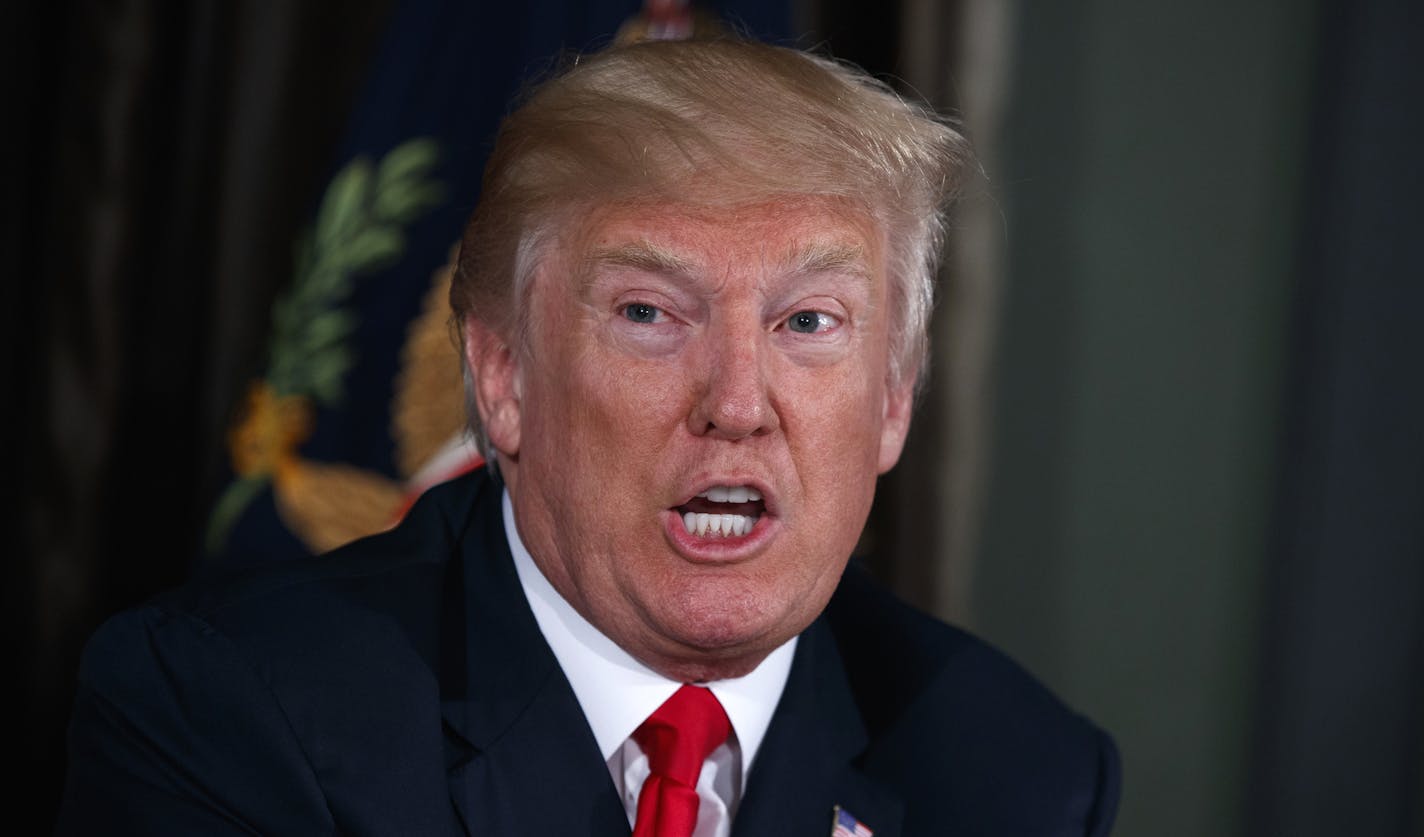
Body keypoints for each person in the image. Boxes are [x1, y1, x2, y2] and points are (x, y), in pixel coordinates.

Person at [56, 36, 1120, 836]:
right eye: (650, 314)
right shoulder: (225, 715)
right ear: (502, 376)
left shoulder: (1015, 776)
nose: (738, 402)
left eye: (807, 323)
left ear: (893, 399)